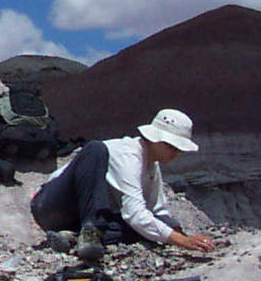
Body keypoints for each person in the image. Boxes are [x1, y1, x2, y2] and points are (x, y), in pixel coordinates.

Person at [29, 107, 215, 262]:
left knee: (150, 229)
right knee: (95, 149)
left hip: (80, 215)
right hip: (51, 204)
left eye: (178, 149)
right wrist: (182, 241)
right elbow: (135, 214)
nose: (175, 154)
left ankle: (73, 237)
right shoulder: (129, 155)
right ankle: (89, 230)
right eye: (171, 147)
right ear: (155, 139)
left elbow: (155, 210)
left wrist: (178, 233)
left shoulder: (151, 165)